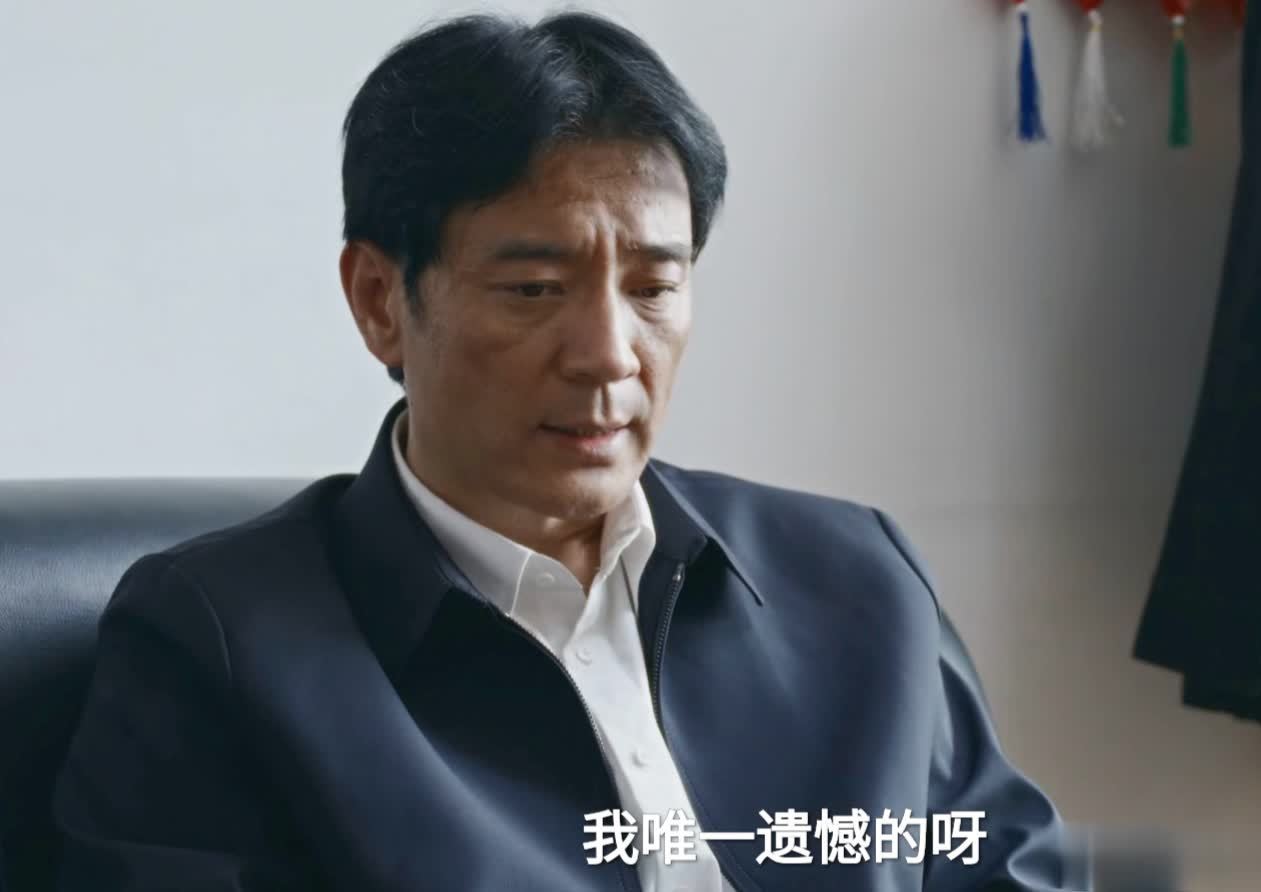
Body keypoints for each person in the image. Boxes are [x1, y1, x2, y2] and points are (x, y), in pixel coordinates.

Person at [51, 10, 1086, 891]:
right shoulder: (218, 647)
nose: (607, 354)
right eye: (534, 289)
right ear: (379, 300)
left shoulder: (857, 579)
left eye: (653, 286)